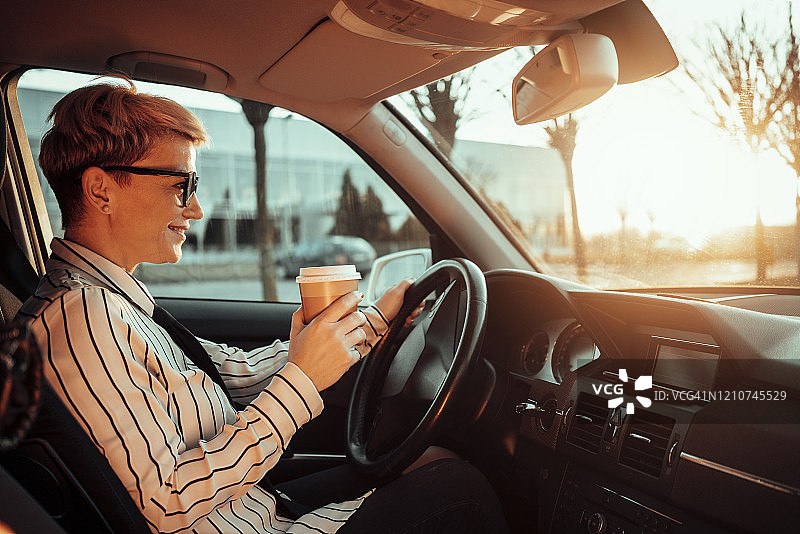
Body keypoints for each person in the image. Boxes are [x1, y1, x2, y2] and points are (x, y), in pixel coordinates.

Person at [16, 79, 508, 534]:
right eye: (181, 185)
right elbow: (166, 503)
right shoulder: (82, 319)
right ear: (101, 189)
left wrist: (371, 323)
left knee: (431, 460)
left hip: (253, 506)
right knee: (461, 490)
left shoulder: (113, 302)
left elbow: (228, 375)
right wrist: (303, 380)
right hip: (249, 523)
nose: (196, 209)